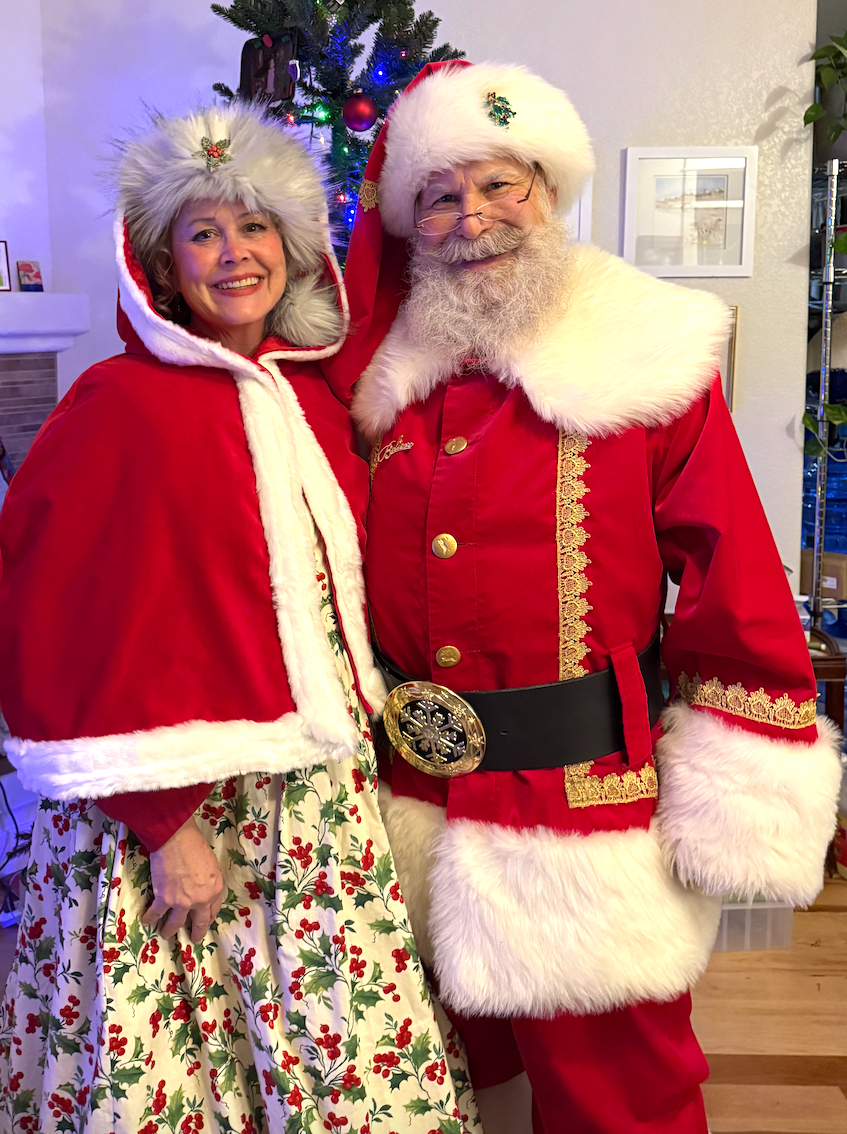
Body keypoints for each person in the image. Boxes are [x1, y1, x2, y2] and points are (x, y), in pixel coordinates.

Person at [328, 60, 845, 1134]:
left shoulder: (646, 361)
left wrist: (739, 771)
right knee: (436, 1082)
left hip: (582, 806)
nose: (471, 216)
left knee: (624, 1096)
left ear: (548, 189)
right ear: (409, 221)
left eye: (498, 184)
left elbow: (730, 573)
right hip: (405, 797)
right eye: (439, 193)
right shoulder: (373, 384)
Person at [0, 104, 479, 1134]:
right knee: (183, 1051)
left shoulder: (309, 400)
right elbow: (61, 620)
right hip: (177, 808)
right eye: (204, 232)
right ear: (163, 262)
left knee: (335, 1034)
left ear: (293, 250)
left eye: (256, 228)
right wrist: (166, 825)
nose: (235, 253)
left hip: (314, 796)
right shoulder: (117, 404)